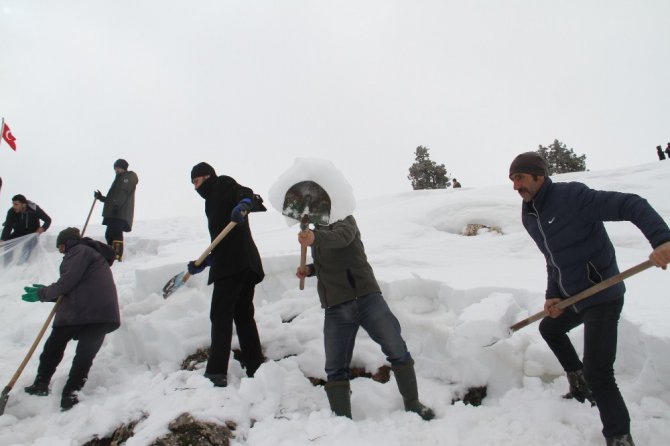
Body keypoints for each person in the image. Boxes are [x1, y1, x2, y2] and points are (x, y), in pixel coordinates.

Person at [508, 152, 670, 446]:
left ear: (538, 175)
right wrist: (553, 295)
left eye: (519, 178)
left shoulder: (572, 196)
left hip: (603, 293)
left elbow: (631, 204)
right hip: (575, 297)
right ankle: (579, 384)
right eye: (512, 180)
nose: (516, 186)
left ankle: (619, 436)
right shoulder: (529, 214)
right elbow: (552, 260)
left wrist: (661, 240)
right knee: (550, 329)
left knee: (599, 370)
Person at [296, 214, 435, 421]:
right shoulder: (315, 232)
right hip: (335, 306)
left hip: (366, 298)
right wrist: (310, 269)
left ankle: (413, 403)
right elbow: (330, 262)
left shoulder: (345, 221)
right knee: (335, 367)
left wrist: (314, 238)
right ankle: (342, 422)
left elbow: (341, 238)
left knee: (396, 347)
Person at [21, 227, 120, 411]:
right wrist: (48, 293)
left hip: (79, 312)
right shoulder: (92, 255)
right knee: (85, 355)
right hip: (101, 313)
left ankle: (42, 384)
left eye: (60, 247)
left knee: (54, 347)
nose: (60, 252)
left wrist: (42, 293)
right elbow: (77, 286)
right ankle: (70, 393)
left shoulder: (78, 250)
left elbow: (66, 283)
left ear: (66, 243)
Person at [187, 162, 266, 387]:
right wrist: (204, 262)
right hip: (242, 263)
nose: (195, 187)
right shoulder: (211, 201)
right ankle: (256, 367)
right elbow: (223, 241)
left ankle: (216, 371)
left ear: (207, 176)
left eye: (196, 181)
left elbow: (245, 193)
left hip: (233, 265)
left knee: (220, 316)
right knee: (243, 316)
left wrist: (244, 204)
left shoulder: (221, 184)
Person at [94, 159, 138, 261]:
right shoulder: (119, 179)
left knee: (116, 233)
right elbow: (112, 199)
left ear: (124, 167)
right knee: (109, 234)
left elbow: (124, 192)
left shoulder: (127, 177)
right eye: (115, 168)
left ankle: (117, 256)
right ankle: (111, 254)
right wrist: (100, 197)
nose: (116, 170)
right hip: (115, 212)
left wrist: (117, 206)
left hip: (120, 212)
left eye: (118, 167)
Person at [1, 194, 52, 263]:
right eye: (13, 204)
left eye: (16, 204)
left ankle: (21, 266)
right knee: (8, 244)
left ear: (24, 205)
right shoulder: (11, 212)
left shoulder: (34, 209)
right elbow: (8, 227)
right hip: (18, 232)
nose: (14, 206)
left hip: (32, 234)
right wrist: (3, 239)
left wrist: (43, 228)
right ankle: (6, 266)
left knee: (26, 248)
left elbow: (48, 220)